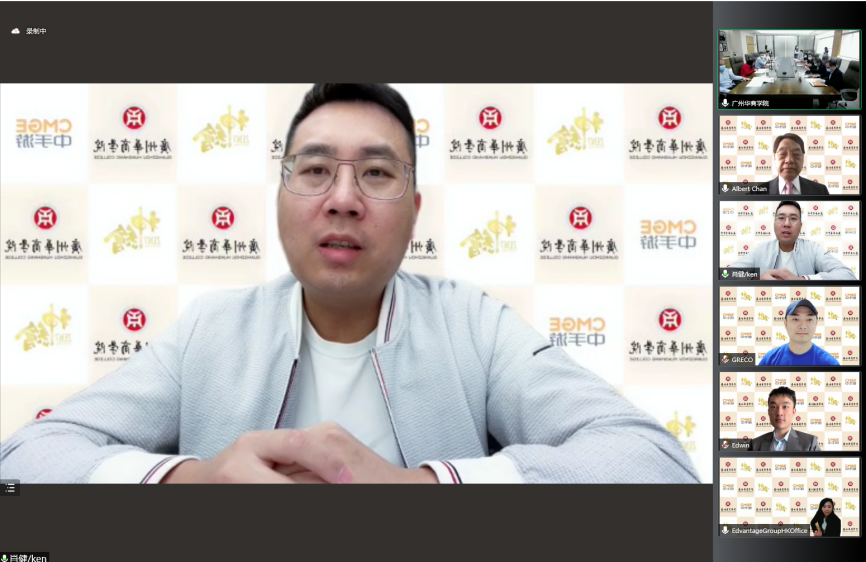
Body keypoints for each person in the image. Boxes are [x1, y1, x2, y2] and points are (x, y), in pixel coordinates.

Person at [0, 83, 700, 485]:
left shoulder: (475, 327)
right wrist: (198, 481)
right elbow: (27, 459)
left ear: (414, 210)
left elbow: (656, 464)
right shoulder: (211, 329)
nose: (342, 199)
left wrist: (419, 488)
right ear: (281, 200)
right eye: (314, 171)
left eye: (376, 172)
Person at [728, 201, 855, 280]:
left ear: (800, 226)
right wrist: (758, 279)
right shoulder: (761, 249)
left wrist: (802, 280)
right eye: (781, 218)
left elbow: (848, 275)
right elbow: (726, 275)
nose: (787, 224)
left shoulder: (812, 248)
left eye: (793, 218)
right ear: (774, 224)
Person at [758, 299, 840, 366]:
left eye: (809, 319)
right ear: (785, 324)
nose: (803, 326)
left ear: (816, 324)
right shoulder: (769, 360)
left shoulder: (830, 364)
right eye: (796, 319)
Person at [748, 387, 820, 451]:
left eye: (785, 407)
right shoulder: (755, 444)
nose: (779, 413)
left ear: (793, 412)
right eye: (774, 407)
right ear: (768, 411)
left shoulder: (809, 443)